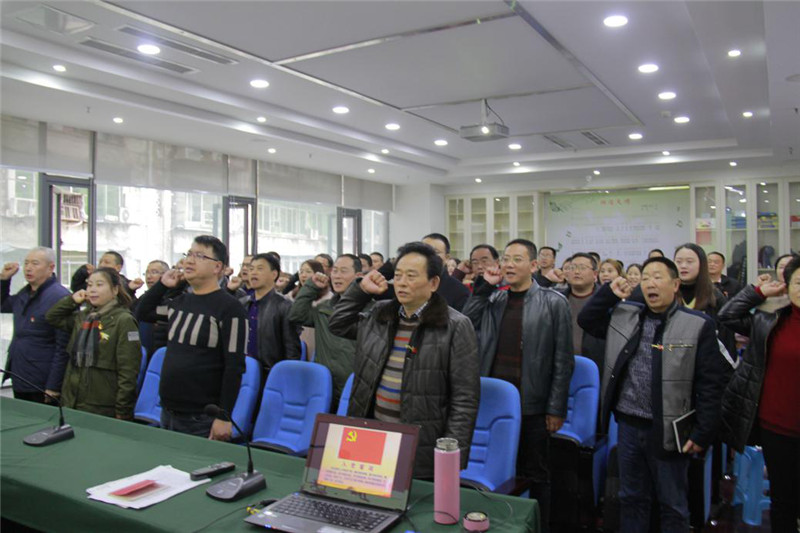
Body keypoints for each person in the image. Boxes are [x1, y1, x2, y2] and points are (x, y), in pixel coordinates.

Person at [577, 257, 726, 533]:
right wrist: (610, 293)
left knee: (673, 504)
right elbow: (586, 319)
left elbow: (710, 383)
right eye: (645, 278)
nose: (650, 284)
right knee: (631, 497)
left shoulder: (697, 324)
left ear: (675, 284)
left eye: (658, 277)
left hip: (669, 428)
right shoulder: (626, 315)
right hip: (628, 425)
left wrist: (703, 431)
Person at [329, 242, 480, 479]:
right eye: (398, 275)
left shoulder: (455, 326)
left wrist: (450, 456)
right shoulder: (380, 314)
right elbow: (338, 324)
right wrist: (361, 290)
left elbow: (465, 399)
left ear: (433, 283)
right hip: (371, 433)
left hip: (421, 442)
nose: (401, 282)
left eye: (411, 276)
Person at [463, 238, 573, 532]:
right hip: (494, 404)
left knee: (535, 473)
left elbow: (563, 360)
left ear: (533, 265)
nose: (509, 265)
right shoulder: (494, 299)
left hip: (533, 403)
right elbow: (465, 323)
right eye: (506, 259)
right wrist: (483, 288)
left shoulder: (554, 302)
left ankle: (537, 526)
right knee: (498, 472)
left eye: (517, 259)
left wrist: (556, 408)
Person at [136, 235, 247, 440]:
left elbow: (234, 366)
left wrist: (224, 416)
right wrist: (163, 285)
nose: (189, 260)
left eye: (199, 256)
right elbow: (143, 312)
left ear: (217, 267)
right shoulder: (180, 302)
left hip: (201, 416)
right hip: (168, 409)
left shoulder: (230, 308)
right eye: (189, 254)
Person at [719, 256, 800, 533]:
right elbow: (727, 315)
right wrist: (757, 292)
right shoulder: (770, 319)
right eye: (798, 282)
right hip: (777, 427)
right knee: (784, 501)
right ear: (787, 286)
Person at [45, 268, 141, 419]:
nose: (92, 290)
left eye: (99, 284)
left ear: (115, 290)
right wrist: (72, 301)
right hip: (72, 400)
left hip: (102, 404)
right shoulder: (84, 317)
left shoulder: (123, 320)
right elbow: (52, 317)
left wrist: (122, 410)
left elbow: (128, 371)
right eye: (89, 285)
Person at [289, 254, 363, 409]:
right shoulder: (324, 308)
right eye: (335, 271)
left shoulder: (368, 309)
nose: (337, 276)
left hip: (354, 387)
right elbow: (297, 315)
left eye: (343, 271)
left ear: (358, 276)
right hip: (324, 385)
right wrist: (311, 286)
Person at [1, 248, 71, 403]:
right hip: (20, 375)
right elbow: (3, 305)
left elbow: (63, 347)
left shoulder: (59, 297)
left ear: (50, 267)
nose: (28, 268)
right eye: (26, 263)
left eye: (35, 263)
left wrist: (54, 385)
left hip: (42, 380)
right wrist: (4, 280)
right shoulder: (25, 293)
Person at [241, 253, 301, 383]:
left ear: (274, 274)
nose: (253, 273)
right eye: (251, 269)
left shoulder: (284, 306)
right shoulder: (243, 303)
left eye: (260, 268)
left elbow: (292, 349)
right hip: (243, 373)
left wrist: (287, 379)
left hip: (270, 375)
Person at [560, 253, 605, 375]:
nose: (576, 272)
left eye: (582, 268)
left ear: (595, 274)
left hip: (595, 367)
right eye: (572, 267)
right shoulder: (557, 299)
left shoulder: (604, 301)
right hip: (561, 366)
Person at [421, 233, 470, 311]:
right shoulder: (410, 284)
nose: (428, 256)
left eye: (435, 252)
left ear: (447, 258)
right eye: (423, 251)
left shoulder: (460, 292)